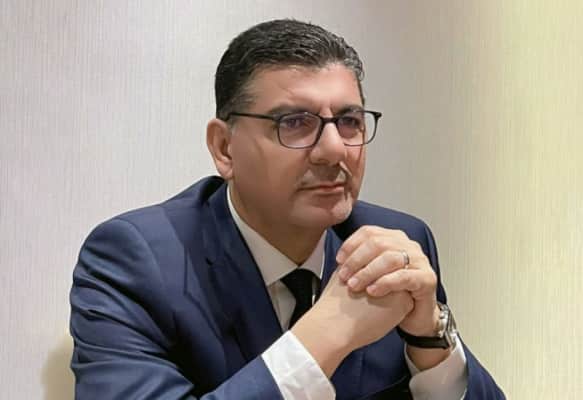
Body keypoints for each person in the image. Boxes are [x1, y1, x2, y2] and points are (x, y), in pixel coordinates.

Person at [69, 19, 505, 399]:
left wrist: (430, 336)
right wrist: (326, 334)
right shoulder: (136, 261)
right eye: (294, 123)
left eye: (349, 121)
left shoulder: (394, 242)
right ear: (224, 148)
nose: (335, 150)